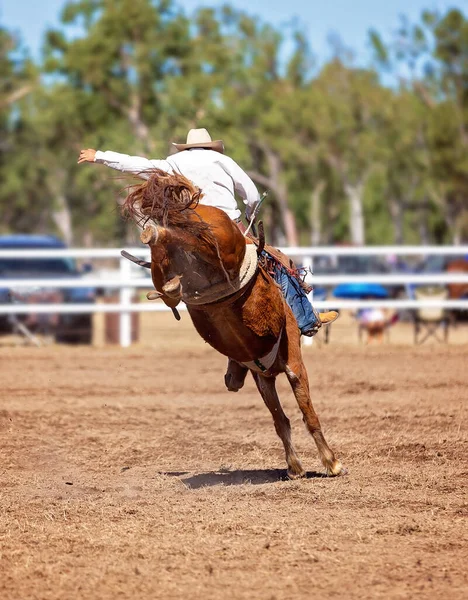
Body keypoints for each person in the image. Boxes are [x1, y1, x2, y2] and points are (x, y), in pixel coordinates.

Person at [78, 128, 338, 336]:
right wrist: (250, 215)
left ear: (187, 147)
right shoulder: (223, 160)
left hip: (185, 229)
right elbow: (252, 194)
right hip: (229, 224)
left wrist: (99, 155)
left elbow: (137, 164)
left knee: (168, 252)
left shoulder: (172, 162)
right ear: (210, 145)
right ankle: (307, 320)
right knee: (276, 262)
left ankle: (169, 285)